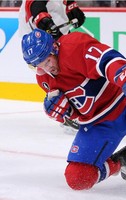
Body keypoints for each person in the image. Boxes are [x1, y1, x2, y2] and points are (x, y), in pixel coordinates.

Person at [21, 28, 126, 200]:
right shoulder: (44, 78)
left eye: (47, 60)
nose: (46, 68)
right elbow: (76, 111)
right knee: (77, 178)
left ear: (54, 48)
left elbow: (106, 59)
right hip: (99, 126)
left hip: (124, 103)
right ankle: (122, 160)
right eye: (39, 65)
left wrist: (125, 76)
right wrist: (65, 113)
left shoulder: (73, 46)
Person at [18, 0, 86, 134]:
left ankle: (75, 108)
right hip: (39, 28)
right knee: (51, 68)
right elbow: (34, 4)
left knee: (66, 65)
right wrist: (42, 18)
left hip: (56, 23)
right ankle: (67, 112)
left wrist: (71, 7)